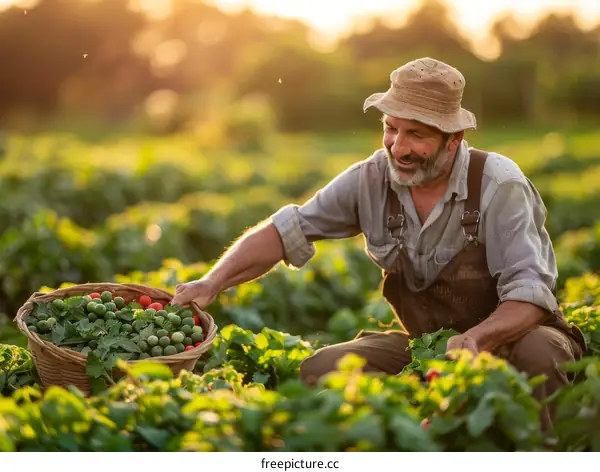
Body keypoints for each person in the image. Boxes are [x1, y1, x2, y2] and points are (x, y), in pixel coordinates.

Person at [171, 57, 586, 430]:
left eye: (417, 135)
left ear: (454, 138)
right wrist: (211, 283)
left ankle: (539, 449)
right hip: (431, 346)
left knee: (539, 358)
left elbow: (531, 295)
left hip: (516, 337)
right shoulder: (371, 178)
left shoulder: (498, 184)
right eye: (391, 128)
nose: (398, 147)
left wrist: (478, 339)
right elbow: (286, 231)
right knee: (323, 368)